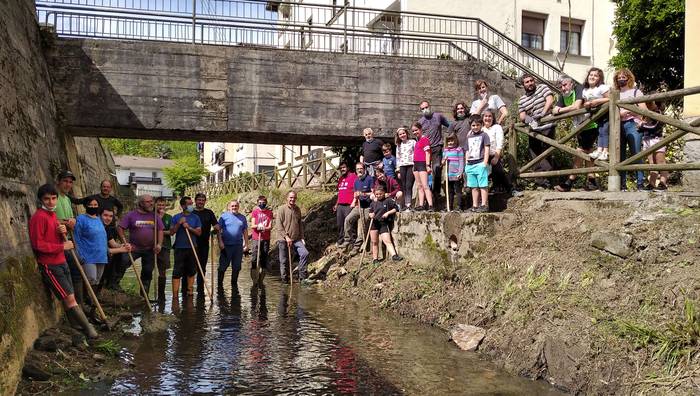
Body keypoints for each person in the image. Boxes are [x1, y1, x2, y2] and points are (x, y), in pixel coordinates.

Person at [29, 184, 97, 338]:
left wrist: (63, 232)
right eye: (47, 199)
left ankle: (74, 324)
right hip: (50, 265)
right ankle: (89, 330)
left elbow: (54, 236)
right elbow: (38, 245)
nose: (51, 202)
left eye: (53, 198)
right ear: (41, 200)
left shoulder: (52, 215)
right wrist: (62, 246)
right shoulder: (38, 217)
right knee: (70, 298)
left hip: (61, 261)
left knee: (69, 294)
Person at [553, 76, 601, 192]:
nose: (563, 88)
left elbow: (577, 106)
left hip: (590, 124)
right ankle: (592, 181)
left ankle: (570, 181)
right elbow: (554, 110)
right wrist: (560, 110)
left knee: (580, 152)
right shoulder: (563, 96)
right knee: (587, 152)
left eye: (565, 85)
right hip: (579, 128)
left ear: (571, 84)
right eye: (560, 87)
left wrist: (561, 110)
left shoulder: (579, 89)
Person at [118, 194, 164, 298]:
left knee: (147, 272)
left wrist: (159, 244)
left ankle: (144, 296)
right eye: (148, 202)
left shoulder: (155, 216)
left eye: (152, 201)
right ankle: (114, 284)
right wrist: (125, 242)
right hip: (134, 248)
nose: (151, 203)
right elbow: (120, 228)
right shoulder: (131, 215)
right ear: (141, 203)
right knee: (123, 261)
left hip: (150, 249)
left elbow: (160, 230)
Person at [53, 170, 84, 305]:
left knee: (77, 269)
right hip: (57, 242)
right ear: (58, 181)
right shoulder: (53, 198)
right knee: (74, 270)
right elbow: (49, 220)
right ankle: (77, 305)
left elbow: (71, 219)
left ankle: (80, 303)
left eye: (70, 182)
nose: (68, 184)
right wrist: (66, 222)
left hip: (68, 240)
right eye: (65, 181)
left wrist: (72, 222)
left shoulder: (67, 199)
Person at [518, 74, 555, 182]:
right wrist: (528, 119)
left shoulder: (542, 88)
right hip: (534, 128)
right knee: (534, 153)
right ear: (523, 85)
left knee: (547, 152)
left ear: (534, 81)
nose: (530, 83)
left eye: (531, 81)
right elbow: (522, 115)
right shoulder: (522, 99)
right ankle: (541, 181)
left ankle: (548, 178)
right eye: (527, 82)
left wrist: (543, 114)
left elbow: (550, 100)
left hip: (547, 125)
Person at [615, 68, 648, 190]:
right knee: (620, 155)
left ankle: (640, 183)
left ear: (629, 78)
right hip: (618, 125)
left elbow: (644, 110)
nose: (621, 79)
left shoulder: (636, 92)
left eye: (624, 77)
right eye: (619, 78)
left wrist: (628, 110)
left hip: (633, 124)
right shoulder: (615, 93)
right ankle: (622, 185)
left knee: (636, 153)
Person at [418, 100, 450, 202]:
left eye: (426, 107)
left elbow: (449, 125)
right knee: (425, 171)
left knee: (437, 168)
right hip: (426, 149)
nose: (425, 110)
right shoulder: (420, 122)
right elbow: (417, 136)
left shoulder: (438, 116)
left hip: (437, 146)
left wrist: (450, 138)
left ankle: (436, 192)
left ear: (430, 106)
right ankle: (427, 192)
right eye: (422, 109)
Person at [274, 191, 309, 283]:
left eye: (294, 198)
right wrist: (286, 237)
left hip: (296, 238)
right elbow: (278, 225)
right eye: (291, 197)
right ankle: (285, 280)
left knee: (305, 253)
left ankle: (302, 276)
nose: (292, 199)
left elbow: (300, 224)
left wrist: (302, 237)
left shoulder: (297, 209)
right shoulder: (281, 209)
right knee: (284, 260)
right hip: (283, 239)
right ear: (287, 198)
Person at [170, 196, 202, 297]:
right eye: (189, 204)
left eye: (191, 204)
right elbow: (171, 232)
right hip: (180, 248)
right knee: (177, 271)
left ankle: (190, 292)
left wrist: (189, 227)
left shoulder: (195, 217)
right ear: (183, 205)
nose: (191, 206)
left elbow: (199, 232)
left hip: (192, 247)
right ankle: (175, 295)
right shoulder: (176, 217)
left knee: (192, 270)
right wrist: (179, 223)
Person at [482, 109, 518, 196]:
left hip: (494, 154)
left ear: (493, 118)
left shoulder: (496, 127)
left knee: (499, 171)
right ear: (483, 118)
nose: (487, 118)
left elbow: (500, 142)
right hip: (483, 156)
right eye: (485, 116)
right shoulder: (481, 129)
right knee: (483, 174)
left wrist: (496, 157)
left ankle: (511, 189)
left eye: (490, 116)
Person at [73, 198, 108, 288]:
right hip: (88, 255)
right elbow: (77, 238)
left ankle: (93, 301)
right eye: (90, 205)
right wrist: (80, 254)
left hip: (101, 255)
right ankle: (86, 299)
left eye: (95, 205)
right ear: (85, 206)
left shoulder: (99, 219)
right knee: (91, 279)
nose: (93, 207)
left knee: (97, 280)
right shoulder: (81, 219)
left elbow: (102, 237)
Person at [340, 163, 374, 252]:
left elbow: (374, 193)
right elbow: (355, 194)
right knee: (348, 220)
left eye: (361, 168)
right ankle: (347, 240)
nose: (359, 170)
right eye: (357, 169)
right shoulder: (356, 181)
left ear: (364, 169)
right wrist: (353, 201)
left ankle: (356, 246)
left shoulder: (369, 179)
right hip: (359, 206)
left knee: (363, 226)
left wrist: (363, 194)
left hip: (368, 207)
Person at [216, 200, 250, 288]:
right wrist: (220, 241)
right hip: (226, 245)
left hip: (238, 246)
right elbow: (218, 230)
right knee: (223, 267)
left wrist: (246, 244)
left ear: (238, 207)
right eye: (232, 206)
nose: (234, 207)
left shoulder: (242, 217)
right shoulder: (223, 217)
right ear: (229, 207)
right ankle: (219, 286)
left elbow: (245, 231)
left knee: (237, 267)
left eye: (236, 206)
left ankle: (234, 285)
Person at [99, 206, 131, 291]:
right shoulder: (97, 228)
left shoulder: (107, 229)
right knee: (112, 255)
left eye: (110, 216)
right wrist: (121, 249)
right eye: (105, 215)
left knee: (121, 256)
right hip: (96, 256)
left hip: (105, 254)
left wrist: (124, 246)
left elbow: (113, 244)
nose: (108, 218)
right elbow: (104, 250)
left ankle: (112, 283)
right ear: (99, 215)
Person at [192, 193, 219, 295]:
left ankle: (200, 289)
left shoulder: (209, 212)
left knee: (202, 267)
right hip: (192, 244)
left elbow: (216, 225)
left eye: (203, 200)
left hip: (204, 244)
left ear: (205, 201)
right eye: (199, 200)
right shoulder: (192, 213)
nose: (201, 202)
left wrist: (216, 229)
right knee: (190, 267)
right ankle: (188, 290)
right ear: (195, 201)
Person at [368, 186, 402, 264]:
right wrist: (371, 215)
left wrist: (387, 213)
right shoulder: (373, 203)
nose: (378, 195)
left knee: (387, 241)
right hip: (374, 224)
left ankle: (394, 256)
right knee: (374, 242)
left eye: (380, 194)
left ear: (384, 193)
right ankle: (375, 259)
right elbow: (370, 212)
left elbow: (396, 208)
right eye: (377, 194)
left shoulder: (388, 201)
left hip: (383, 223)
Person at [583, 67, 611, 161]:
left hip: (606, 113)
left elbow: (611, 98)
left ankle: (605, 151)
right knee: (600, 132)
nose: (593, 77)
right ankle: (599, 150)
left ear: (600, 78)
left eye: (596, 75)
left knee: (604, 131)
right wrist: (587, 105)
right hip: (596, 115)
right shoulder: (585, 90)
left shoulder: (602, 87)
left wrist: (596, 101)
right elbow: (586, 102)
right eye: (591, 75)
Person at [640, 101, 668, 191]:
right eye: (646, 104)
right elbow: (641, 128)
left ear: (656, 104)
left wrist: (642, 126)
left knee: (660, 161)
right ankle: (652, 183)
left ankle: (663, 182)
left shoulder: (658, 113)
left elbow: (655, 127)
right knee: (651, 163)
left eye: (650, 104)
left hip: (656, 139)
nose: (647, 105)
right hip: (647, 139)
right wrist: (641, 127)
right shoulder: (645, 114)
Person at [465, 116, 491, 212]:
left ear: (481, 125)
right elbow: (467, 150)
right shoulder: (469, 137)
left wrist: (485, 162)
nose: (475, 127)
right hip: (471, 164)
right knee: (474, 186)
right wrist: (466, 163)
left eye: (478, 125)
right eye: (473, 125)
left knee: (483, 185)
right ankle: (475, 206)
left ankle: (484, 205)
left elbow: (487, 148)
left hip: (480, 163)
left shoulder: (484, 135)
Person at [250, 196, 273, 284]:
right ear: (257, 203)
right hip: (256, 238)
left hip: (266, 238)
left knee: (264, 258)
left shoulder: (269, 213)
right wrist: (258, 226)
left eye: (263, 202)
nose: (261, 204)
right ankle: (254, 279)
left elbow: (270, 226)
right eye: (259, 202)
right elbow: (252, 225)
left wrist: (264, 227)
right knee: (255, 258)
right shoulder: (255, 212)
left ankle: (261, 280)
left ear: (266, 202)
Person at [411, 122, 434, 211]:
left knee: (425, 185)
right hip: (416, 164)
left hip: (422, 163)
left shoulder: (425, 139)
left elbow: (427, 153)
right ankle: (421, 205)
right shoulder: (417, 141)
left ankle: (431, 205)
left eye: (416, 130)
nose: (415, 132)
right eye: (413, 131)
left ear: (420, 129)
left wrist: (427, 165)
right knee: (419, 186)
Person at [334, 162, 357, 246]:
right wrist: (336, 204)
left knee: (349, 223)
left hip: (349, 204)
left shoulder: (353, 176)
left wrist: (354, 201)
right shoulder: (340, 179)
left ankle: (352, 241)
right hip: (340, 205)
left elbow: (356, 190)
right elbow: (340, 193)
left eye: (344, 167)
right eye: (341, 168)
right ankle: (340, 240)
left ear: (347, 168)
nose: (342, 169)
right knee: (340, 224)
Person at [155, 197, 172, 301]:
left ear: (165, 206)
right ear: (155, 205)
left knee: (163, 271)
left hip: (165, 246)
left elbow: (171, 232)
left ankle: (161, 295)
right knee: (148, 269)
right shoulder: (150, 216)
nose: (161, 207)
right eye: (159, 205)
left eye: (163, 205)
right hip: (151, 245)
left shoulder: (169, 217)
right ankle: (145, 295)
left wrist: (160, 231)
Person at [441, 134, 464, 211]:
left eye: (452, 141)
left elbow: (461, 161)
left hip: (456, 174)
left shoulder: (459, 149)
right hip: (448, 175)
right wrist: (444, 161)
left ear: (455, 141)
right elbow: (443, 163)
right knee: (449, 191)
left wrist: (460, 172)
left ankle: (459, 206)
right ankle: (448, 206)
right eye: (449, 141)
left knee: (458, 191)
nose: (450, 143)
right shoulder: (445, 151)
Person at [395, 126, 415, 211]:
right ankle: (404, 205)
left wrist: (416, 165)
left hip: (411, 164)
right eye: (400, 134)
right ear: (398, 136)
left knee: (409, 185)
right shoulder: (399, 145)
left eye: (403, 133)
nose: (402, 135)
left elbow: (416, 153)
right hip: (402, 166)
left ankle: (409, 204)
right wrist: (398, 170)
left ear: (406, 133)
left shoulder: (412, 142)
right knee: (403, 186)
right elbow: (398, 158)